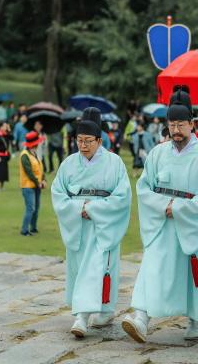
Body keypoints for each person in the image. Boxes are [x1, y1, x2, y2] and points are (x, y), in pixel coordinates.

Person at [122, 89, 198, 343]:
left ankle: (195, 319)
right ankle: (141, 317)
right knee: (152, 266)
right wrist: (163, 205)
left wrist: (177, 208)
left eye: (181, 124)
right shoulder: (157, 153)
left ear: (192, 124)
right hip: (162, 223)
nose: (176, 130)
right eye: (172, 124)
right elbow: (143, 188)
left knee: (193, 273)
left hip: (191, 223)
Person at [52, 109, 131, 338]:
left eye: (88, 141)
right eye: (79, 140)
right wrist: (78, 208)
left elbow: (122, 197)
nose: (83, 146)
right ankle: (104, 310)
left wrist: (94, 208)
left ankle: (82, 317)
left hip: (102, 223)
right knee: (80, 268)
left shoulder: (114, 163)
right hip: (77, 223)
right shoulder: (68, 164)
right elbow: (58, 192)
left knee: (98, 267)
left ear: (99, 140)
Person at [19, 131, 46, 236]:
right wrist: (38, 182)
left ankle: (33, 228)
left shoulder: (35, 153)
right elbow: (29, 171)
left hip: (36, 185)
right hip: (27, 186)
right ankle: (24, 230)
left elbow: (40, 168)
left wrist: (43, 179)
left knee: (36, 207)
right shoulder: (24, 155)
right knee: (31, 208)